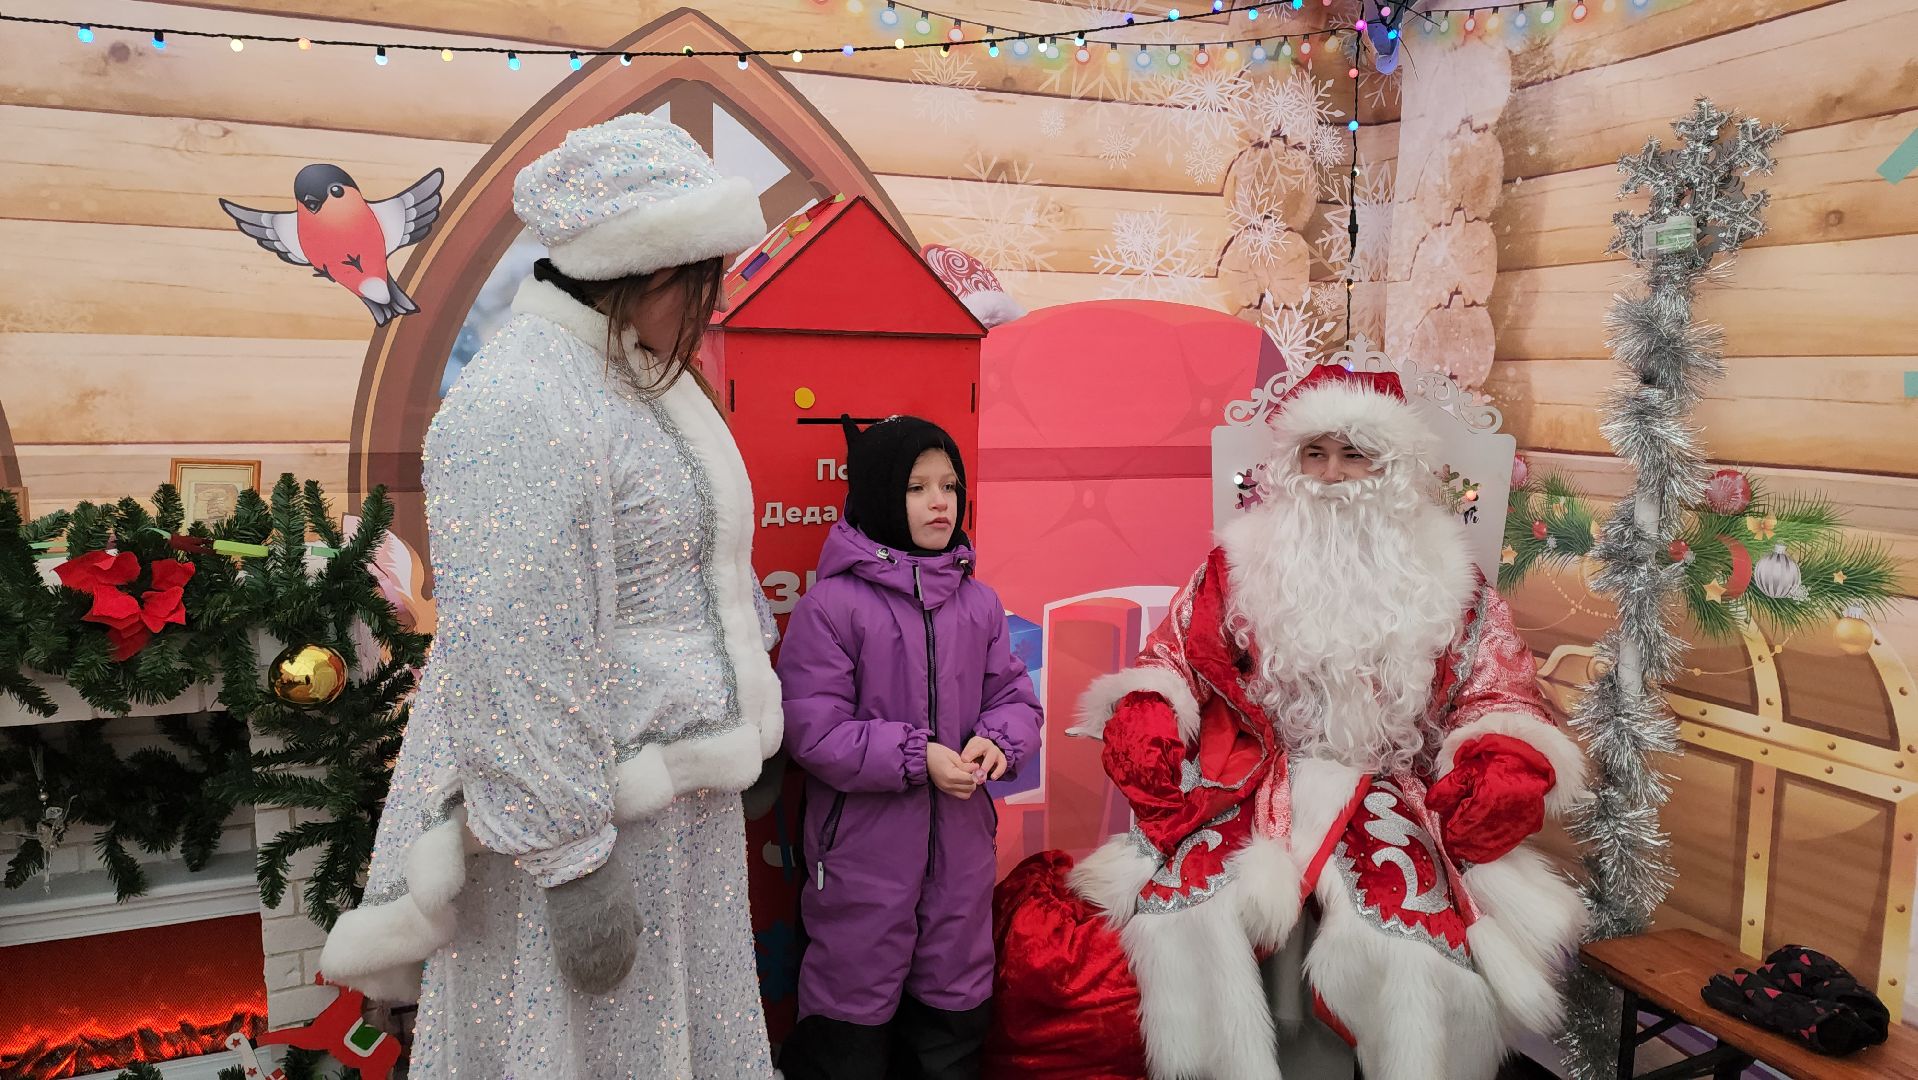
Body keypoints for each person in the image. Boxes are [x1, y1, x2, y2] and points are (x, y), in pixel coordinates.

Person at [318, 114, 785, 1078]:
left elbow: (700, 575)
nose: (717, 300)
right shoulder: (522, 402)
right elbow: (512, 647)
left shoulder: (632, 380)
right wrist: (572, 860)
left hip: (663, 815)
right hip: (577, 836)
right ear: (650, 268)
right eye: (706, 275)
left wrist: (740, 727)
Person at [987, 365, 1590, 1080]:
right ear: (1291, 464)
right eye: (1315, 454)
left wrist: (1504, 758)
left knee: (1408, 940)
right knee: (1188, 909)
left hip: (1389, 786)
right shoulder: (1240, 561)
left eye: (1354, 454)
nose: (1332, 475)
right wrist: (1148, 705)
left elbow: (1498, 688)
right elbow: (1174, 652)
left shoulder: (1451, 578)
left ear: (1392, 467)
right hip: (1252, 774)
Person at [775, 416, 1043, 1080]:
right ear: (878, 496)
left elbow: (1015, 699)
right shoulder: (832, 607)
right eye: (918, 486)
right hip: (862, 861)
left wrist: (996, 744)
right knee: (850, 1018)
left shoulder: (979, 604)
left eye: (949, 485)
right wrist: (913, 755)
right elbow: (813, 729)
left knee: (951, 1017)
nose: (940, 501)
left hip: (958, 859)